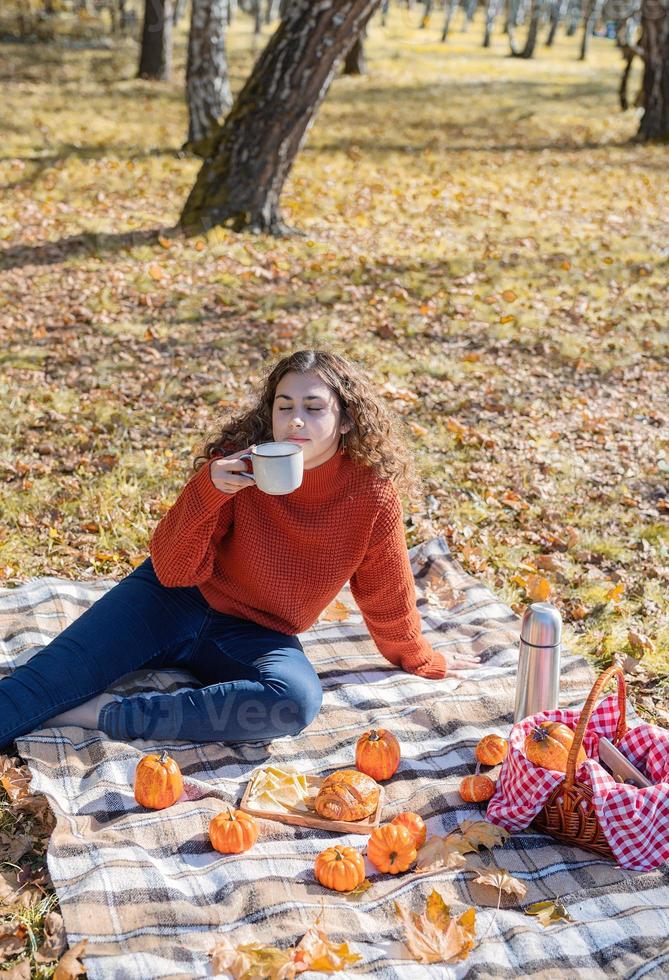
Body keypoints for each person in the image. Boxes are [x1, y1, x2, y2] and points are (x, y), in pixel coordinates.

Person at [0, 349, 479, 751]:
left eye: (314, 407)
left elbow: (385, 590)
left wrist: (417, 655)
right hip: (170, 599)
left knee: (294, 701)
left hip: (254, 632)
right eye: (284, 405)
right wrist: (208, 489)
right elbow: (171, 567)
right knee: (41, 685)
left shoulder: (370, 493)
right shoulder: (237, 461)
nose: (295, 421)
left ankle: (108, 715)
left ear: (346, 417)